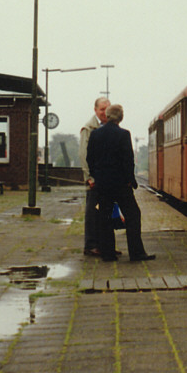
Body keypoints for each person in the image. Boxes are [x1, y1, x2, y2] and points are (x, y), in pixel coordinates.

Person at [86, 104, 154, 262]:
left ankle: (108, 254)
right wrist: (130, 180)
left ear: (108, 116)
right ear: (121, 117)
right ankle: (136, 253)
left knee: (105, 217)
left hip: (103, 184)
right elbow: (128, 160)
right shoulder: (123, 134)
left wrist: (97, 177)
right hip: (121, 185)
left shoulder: (95, 134)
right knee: (133, 216)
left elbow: (90, 159)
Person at [79, 96, 111, 256]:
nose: (105, 112)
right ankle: (90, 245)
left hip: (106, 178)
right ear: (95, 110)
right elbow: (83, 155)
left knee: (105, 212)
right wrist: (89, 177)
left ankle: (105, 245)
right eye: (102, 109)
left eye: (107, 109)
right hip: (94, 179)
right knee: (93, 212)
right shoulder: (88, 129)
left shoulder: (109, 127)